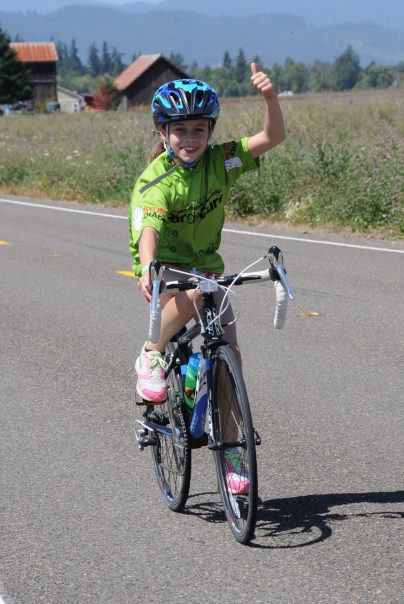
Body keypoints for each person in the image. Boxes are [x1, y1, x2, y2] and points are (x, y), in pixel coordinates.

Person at [129, 63, 285, 406]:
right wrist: (149, 266)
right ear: (162, 131)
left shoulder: (221, 161)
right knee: (202, 289)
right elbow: (149, 231)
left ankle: (232, 449)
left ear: (210, 132)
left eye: (199, 129)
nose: (190, 138)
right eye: (180, 130)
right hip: (165, 268)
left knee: (232, 358)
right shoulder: (156, 181)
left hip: (206, 265)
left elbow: (272, 138)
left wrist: (270, 98)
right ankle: (151, 353)